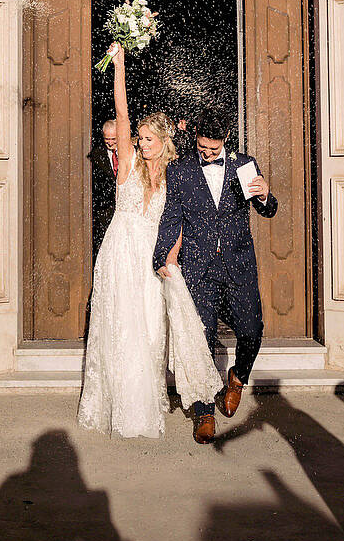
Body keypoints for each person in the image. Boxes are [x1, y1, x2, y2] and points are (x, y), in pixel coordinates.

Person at [79, 44, 222, 441]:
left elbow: (176, 221)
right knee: (121, 324)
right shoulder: (126, 162)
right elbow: (121, 113)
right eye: (137, 138)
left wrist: (172, 254)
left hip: (153, 253)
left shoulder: (176, 174)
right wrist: (119, 65)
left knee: (151, 325)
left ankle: (159, 392)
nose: (140, 143)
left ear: (162, 139)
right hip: (120, 250)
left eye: (146, 139)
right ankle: (125, 401)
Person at [152, 103, 277, 444]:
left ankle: (236, 378)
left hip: (238, 263)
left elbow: (267, 209)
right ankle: (204, 411)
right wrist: (163, 256)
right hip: (199, 267)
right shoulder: (179, 170)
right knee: (202, 338)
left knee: (252, 330)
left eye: (213, 148)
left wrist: (266, 195)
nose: (206, 153)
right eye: (202, 147)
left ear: (226, 139)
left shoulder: (244, 164)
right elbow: (171, 217)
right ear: (195, 137)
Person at [89, 118, 122, 255]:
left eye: (114, 138)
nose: (110, 142)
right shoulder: (96, 155)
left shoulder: (131, 153)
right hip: (104, 212)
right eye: (107, 139)